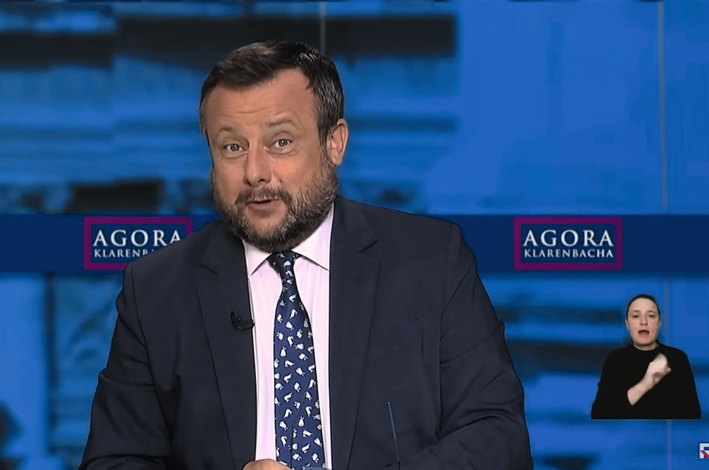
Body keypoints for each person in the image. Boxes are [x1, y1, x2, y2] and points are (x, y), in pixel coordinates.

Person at [79, 41, 532, 470]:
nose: (256, 173)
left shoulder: (433, 261)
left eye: (281, 142)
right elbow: (113, 461)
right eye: (233, 147)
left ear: (335, 143)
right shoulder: (155, 291)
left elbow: (499, 437)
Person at [591, 294, 702, 420]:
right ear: (627, 323)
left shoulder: (677, 359)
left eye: (651, 316)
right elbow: (599, 414)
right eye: (636, 316)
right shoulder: (615, 360)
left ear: (659, 322)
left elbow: (694, 414)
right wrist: (646, 383)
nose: (643, 322)